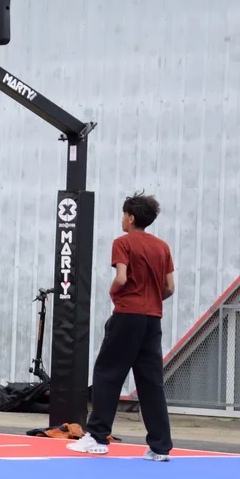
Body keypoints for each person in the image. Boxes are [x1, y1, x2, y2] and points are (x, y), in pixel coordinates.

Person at [67, 192, 175, 462]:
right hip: (153, 319)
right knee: (151, 383)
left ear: (131, 217)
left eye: (123, 215)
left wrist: (114, 292)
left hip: (127, 316)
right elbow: (170, 287)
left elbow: (122, 277)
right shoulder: (162, 247)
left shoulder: (123, 243)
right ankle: (160, 447)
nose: (122, 220)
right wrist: (151, 300)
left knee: (107, 374)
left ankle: (97, 437)